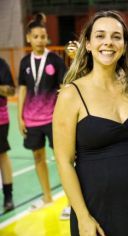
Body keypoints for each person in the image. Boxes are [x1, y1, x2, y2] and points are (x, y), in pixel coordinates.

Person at [53, 10, 128, 236]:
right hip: (97, 212)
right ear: (88, 44)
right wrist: (82, 216)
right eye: (100, 36)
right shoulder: (71, 94)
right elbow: (63, 161)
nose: (108, 42)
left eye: (116, 36)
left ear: (124, 45)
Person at [17, 13, 67, 210]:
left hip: (53, 119)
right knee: (38, 158)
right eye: (35, 36)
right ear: (29, 38)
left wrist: (63, 116)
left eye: (43, 36)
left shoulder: (54, 60)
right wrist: (20, 116)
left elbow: (64, 88)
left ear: (47, 38)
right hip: (31, 120)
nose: (40, 40)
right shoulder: (24, 62)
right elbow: (22, 88)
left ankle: (71, 202)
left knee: (63, 160)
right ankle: (47, 197)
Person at [0, 57, 15, 213]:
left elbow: (10, 90)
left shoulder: (1, 64)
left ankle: (8, 196)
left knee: (2, 155)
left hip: (0, 119)